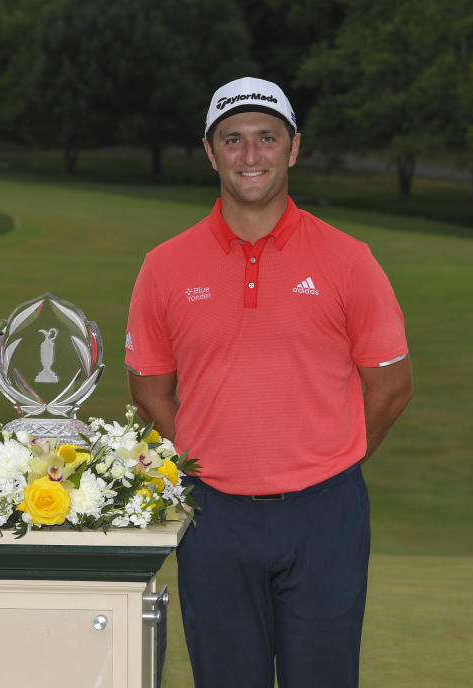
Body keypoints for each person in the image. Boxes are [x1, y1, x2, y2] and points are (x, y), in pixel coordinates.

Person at [124, 77, 413, 687]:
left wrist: (331, 458)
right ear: (210, 152)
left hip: (325, 513)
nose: (250, 155)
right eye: (233, 139)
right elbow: (149, 390)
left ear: (293, 147)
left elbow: (391, 387)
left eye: (266, 138)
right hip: (214, 516)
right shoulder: (165, 266)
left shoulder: (348, 259)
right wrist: (207, 457)